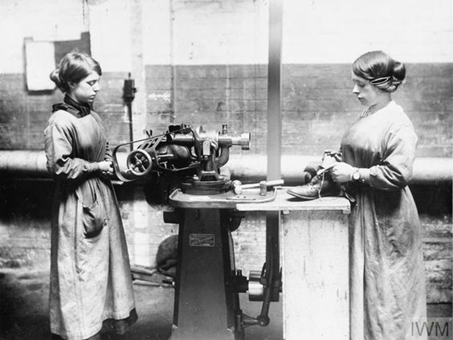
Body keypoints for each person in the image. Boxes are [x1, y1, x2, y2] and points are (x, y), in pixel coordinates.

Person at [328, 51, 427, 339]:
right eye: (354, 83)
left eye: (362, 85)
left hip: (387, 219)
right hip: (365, 214)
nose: (354, 90)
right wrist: (334, 162)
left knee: (388, 296)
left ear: (383, 86)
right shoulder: (371, 113)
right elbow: (362, 152)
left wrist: (354, 174)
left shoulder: (398, 123)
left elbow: (398, 174)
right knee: (369, 289)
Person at [44, 52, 137, 340]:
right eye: (92, 83)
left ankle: (101, 326)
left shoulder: (91, 114)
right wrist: (98, 166)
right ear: (72, 84)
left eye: (98, 82)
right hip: (77, 204)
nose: (97, 88)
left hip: (102, 197)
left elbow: (104, 149)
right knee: (81, 274)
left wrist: (116, 168)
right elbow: (60, 167)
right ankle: (81, 332)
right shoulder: (60, 121)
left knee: (106, 270)